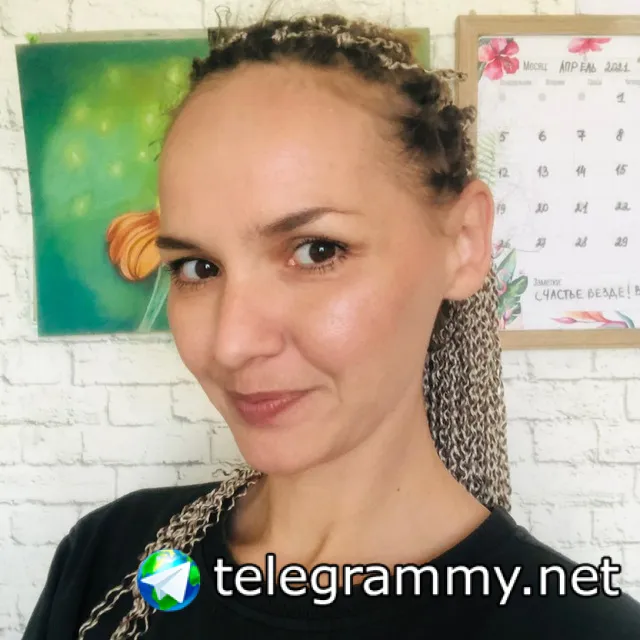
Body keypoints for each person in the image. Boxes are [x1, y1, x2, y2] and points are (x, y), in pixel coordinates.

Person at [23, 13, 640, 640]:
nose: (232, 344)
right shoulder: (109, 559)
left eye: (316, 251)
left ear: (463, 242)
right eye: (197, 267)